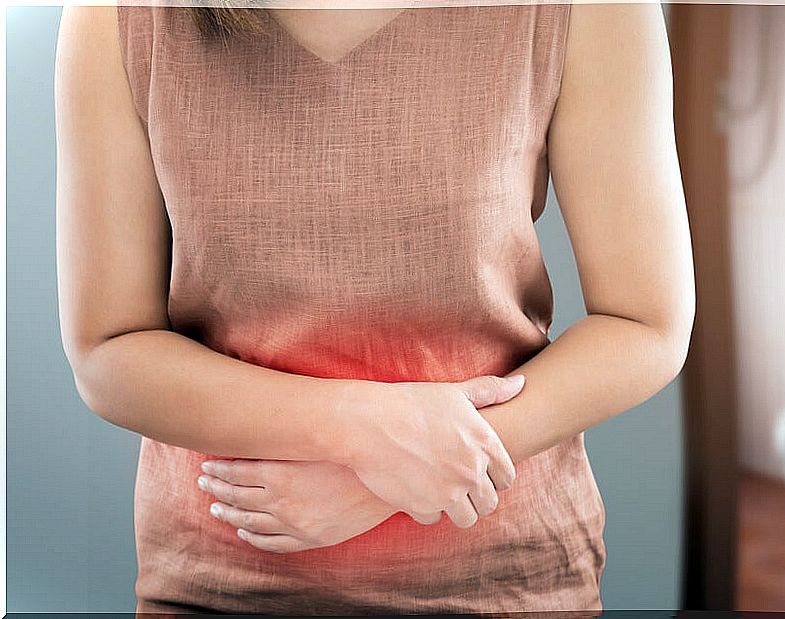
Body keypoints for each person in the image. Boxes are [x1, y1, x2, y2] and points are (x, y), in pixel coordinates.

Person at [54, 0, 695, 614]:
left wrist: (386, 478)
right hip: (219, 585)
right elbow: (109, 349)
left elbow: (643, 324)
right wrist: (361, 431)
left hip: (506, 585)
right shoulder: (115, 16)